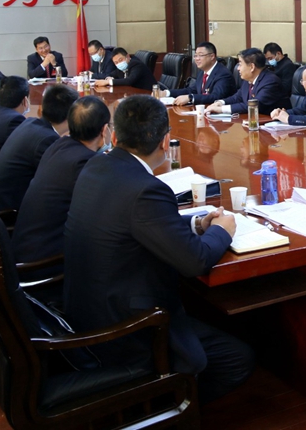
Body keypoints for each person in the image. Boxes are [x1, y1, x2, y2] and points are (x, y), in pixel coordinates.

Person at [64, 95, 253, 402]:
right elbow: (195, 261)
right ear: (166, 141)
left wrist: (196, 225)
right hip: (128, 328)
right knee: (237, 359)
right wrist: (222, 230)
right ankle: (167, 407)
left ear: (114, 136)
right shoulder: (146, 190)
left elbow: (138, 224)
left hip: (87, 308)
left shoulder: (97, 165)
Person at [13, 96, 111, 267]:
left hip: (23, 249)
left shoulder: (59, 145)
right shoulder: (85, 163)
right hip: (43, 264)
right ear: (104, 130)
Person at [0, 84, 78, 213]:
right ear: (72, 115)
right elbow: (62, 181)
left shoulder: (30, 123)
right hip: (8, 213)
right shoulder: (47, 140)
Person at [206, 47, 290, 116]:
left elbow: (253, 106)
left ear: (252, 67)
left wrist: (221, 109)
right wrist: (220, 102)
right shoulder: (248, 80)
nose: (238, 68)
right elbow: (237, 97)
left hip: (274, 125)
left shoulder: (270, 82)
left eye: (240, 64)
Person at [170, 41, 237, 106]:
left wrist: (191, 98)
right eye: (195, 55)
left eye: (200, 55)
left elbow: (216, 97)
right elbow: (192, 90)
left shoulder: (223, 74)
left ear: (212, 56)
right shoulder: (202, 72)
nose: (197, 59)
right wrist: (167, 93)